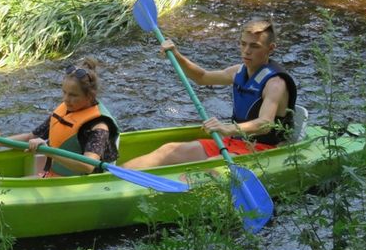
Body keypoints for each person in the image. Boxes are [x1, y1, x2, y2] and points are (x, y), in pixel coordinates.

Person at [122, 19, 297, 170]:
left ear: (271, 48)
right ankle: (110, 176)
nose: (246, 51)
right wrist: (176, 55)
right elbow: (202, 77)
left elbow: (265, 124)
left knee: (212, 166)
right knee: (169, 150)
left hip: (263, 149)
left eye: (254, 46)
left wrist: (227, 128)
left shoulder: (275, 83)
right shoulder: (238, 71)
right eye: (243, 44)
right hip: (236, 142)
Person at [0, 58, 120, 177]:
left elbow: (88, 165)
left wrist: (50, 151)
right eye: (64, 92)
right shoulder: (66, 110)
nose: (66, 99)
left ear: (89, 96)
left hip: (81, 184)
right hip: (55, 175)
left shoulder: (99, 126)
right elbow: (31, 137)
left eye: (73, 95)